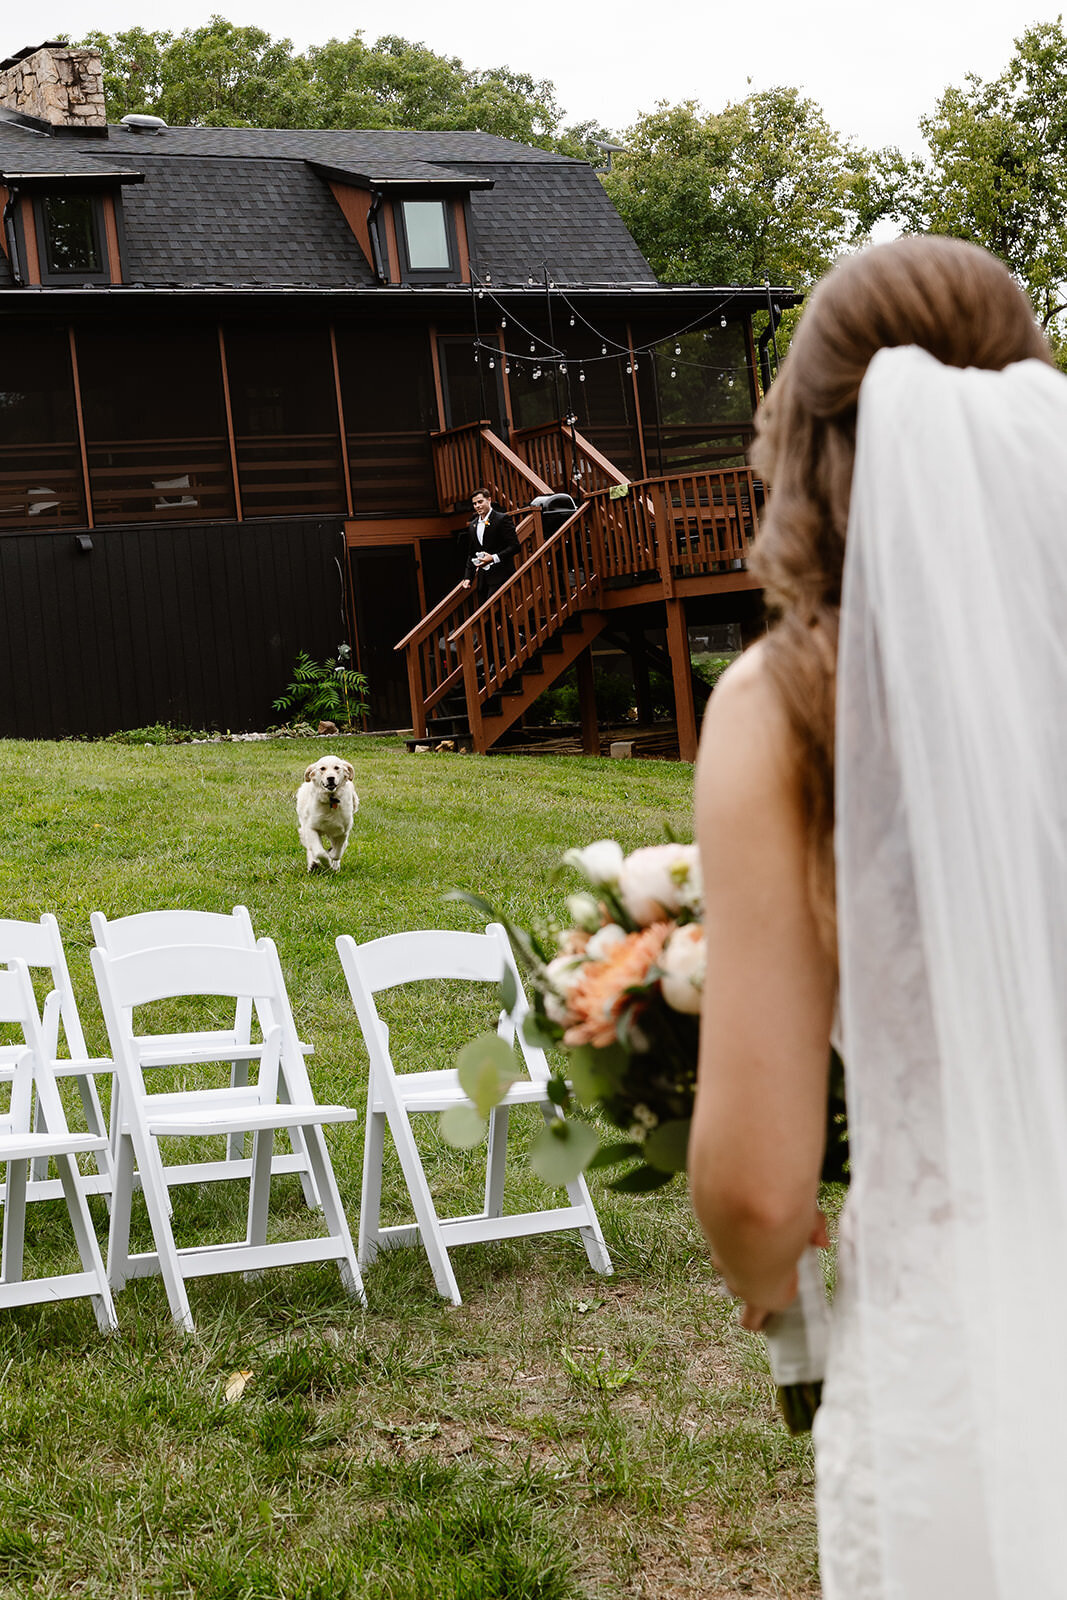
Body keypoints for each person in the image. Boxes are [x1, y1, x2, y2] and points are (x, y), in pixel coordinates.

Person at [688, 235, 1067, 1596]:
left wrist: (761, 1267)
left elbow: (753, 1184)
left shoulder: (785, 708)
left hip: (964, 1370)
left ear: (806, 443)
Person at [461, 488, 520, 600]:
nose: (477, 506)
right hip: (483, 580)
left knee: (495, 609)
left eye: (480, 502)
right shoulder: (473, 525)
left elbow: (515, 546)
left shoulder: (502, 519)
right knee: (488, 614)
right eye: (474, 503)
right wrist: (468, 577)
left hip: (502, 575)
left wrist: (493, 558)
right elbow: (472, 553)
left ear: (489, 500)